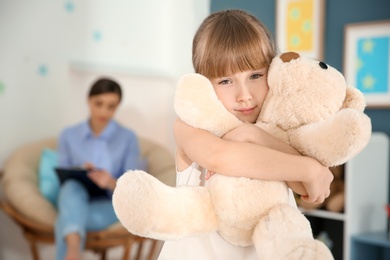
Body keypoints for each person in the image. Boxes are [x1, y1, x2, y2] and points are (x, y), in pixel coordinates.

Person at [158, 9, 333, 260]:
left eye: (255, 76)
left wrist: (253, 134)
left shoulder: (277, 131)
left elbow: (311, 188)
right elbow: (221, 157)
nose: (245, 95)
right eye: (226, 81)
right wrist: (308, 168)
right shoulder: (189, 126)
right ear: (203, 83)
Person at [55, 78, 143, 260]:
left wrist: (110, 181)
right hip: (73, 196)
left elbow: (131, 188)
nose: (104, 111)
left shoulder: (128, 138)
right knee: (71, 186)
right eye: (99, 104)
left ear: (117, 107)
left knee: (65, 220)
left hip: (109, 203)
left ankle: (72, 252)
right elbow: (61, 178)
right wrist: (79, 170)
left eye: (111, 106)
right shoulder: (68, 135)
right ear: (88, 100)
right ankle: (74, 252)